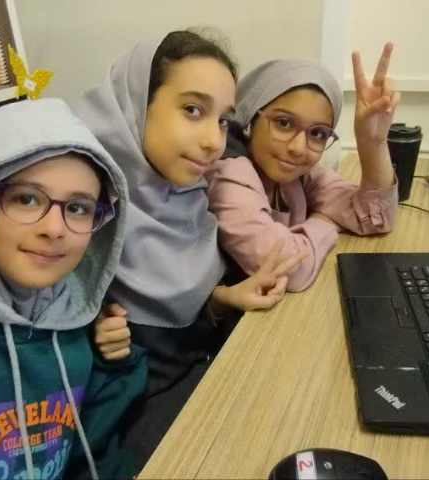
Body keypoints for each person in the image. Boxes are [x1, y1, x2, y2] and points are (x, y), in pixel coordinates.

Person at [75, 30, 304, 467]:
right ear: (136, 104)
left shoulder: (188, 195)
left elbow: (175, 317)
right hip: (127, 424)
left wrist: (223, 299)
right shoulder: (79, 205)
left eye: (222, 120)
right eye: (193, 110)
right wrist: (92, 341)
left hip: (197, 386)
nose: (215, 141)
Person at [0, 98, 147, 479]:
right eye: (26, 199)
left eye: (78, 208)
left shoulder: (79, 317)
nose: (54, 229)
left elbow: (94, 448)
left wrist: (110, 364)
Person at [205, 43, 400, 292]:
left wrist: (372, 142)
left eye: (318, 133)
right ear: (251, 118)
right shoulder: (229, 173)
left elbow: (374, 217)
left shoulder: (296, 171)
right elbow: (288, 270)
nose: (298, 148)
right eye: (284, 123)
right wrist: (324, 221)